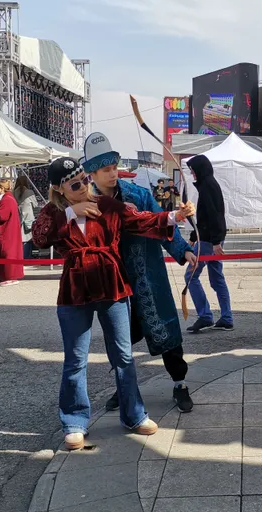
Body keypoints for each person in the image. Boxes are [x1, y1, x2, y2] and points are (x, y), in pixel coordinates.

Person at [32, 156, 195, 450]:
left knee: (123, 355)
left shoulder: (106, 205)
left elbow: (142, 220)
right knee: (75, 359)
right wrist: (69, 212)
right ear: (58, 189)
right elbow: (39, 237)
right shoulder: (53, 212)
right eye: (74, 185)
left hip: (112, 285)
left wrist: (175, 216)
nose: (83, 187)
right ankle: (74, 422)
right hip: (75, 290)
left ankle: (134, 414)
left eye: (84, 180)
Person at [81, 132, 198, 413]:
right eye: (105, 170)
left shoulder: (139, 195)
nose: (112, 174)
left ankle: (180, 383)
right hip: (113, 282)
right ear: (92, 174)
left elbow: (161, 223)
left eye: (114, 168)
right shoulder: (85, 203)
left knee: (166, 328)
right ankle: (125, 388)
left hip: (148, 275)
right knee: (119, 340)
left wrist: (183, 250)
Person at [184, 155, 233, 332]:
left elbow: (214, 215)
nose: (192, 173)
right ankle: (226, 317)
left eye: (193, 170)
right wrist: (194, 236)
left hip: (208, 241)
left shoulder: (207, 186)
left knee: (190, 276)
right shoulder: (209, 184)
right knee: (217, 278)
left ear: (200, 169)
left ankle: (205, 316)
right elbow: (205, 217)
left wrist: (215, 241)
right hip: (210, 238)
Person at [0, 178, 25, 286]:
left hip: (7, 233)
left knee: (8, 254)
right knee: (2, 254)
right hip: (6, 232)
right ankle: (3, 275)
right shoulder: (6, 199)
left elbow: (1, 216)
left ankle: (10, 277)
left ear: (2, 188)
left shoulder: (7, 200)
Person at [14, 176, 38, 259]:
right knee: (28, 239)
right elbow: (35, 205)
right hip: (28, 219)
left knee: (19, 239)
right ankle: (27, 257)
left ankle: (20, 257)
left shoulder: (13, 192)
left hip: (17, 219)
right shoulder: (29, 192)